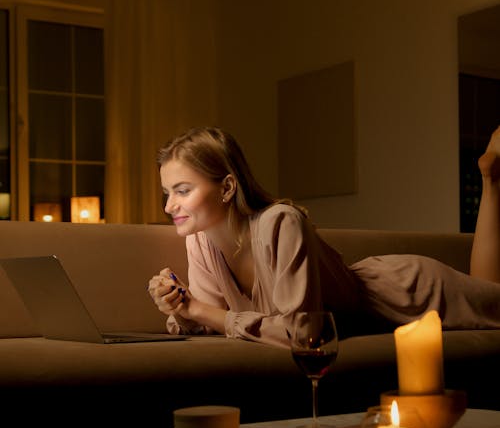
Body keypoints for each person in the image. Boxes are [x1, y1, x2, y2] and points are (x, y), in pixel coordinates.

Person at [148, 126, 500, 348]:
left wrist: (200, 310)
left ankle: (490, 180)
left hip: (405, 294)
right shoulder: (199, 239)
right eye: (167, 192)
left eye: (182, 190)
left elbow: (304, 333)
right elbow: (214, 321)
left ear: (226, 187)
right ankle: (493, 180)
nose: (169, 206)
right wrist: (182, 306)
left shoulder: (280, 223)